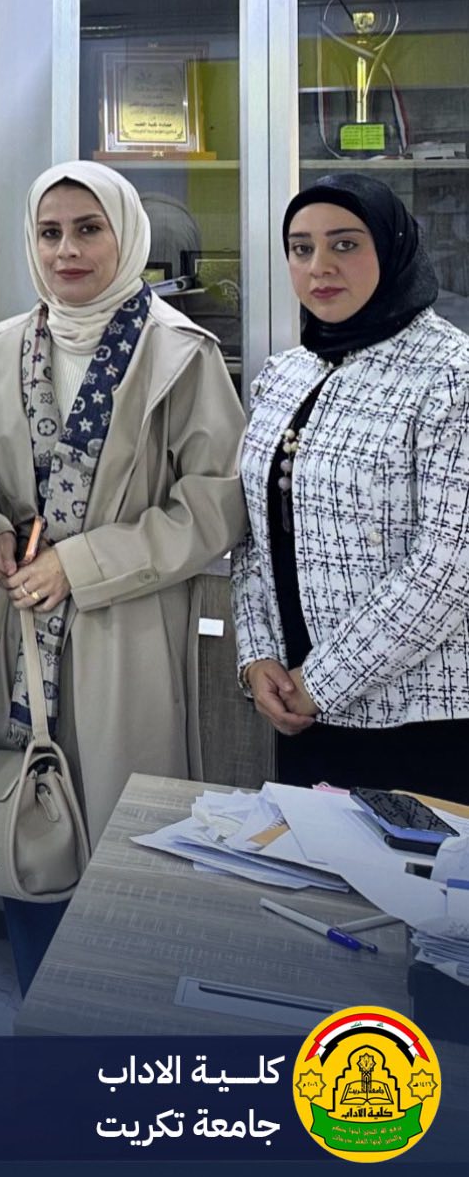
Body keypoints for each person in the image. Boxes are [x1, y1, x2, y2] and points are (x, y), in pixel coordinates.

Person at [0, 160, 246, 991]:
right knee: (23, 823)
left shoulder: (180, 354)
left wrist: (81, 565)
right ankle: (40, 1013)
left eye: (89, 230)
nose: (67, 251)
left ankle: (121, 1029)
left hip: (129, 630)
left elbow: (214, 504)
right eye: (50, 233)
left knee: (129, 844)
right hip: (14, 630)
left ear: (127, 237)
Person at [232, 173, 469, 801]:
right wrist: (257, 657)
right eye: (301, 248)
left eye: (345, 244)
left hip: (418, 716)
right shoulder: (285, 373)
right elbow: (252, 532)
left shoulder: (452, 375)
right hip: (297, 703)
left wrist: (323, 681)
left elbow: (449, 568)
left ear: (392, 248)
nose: (320, 266)